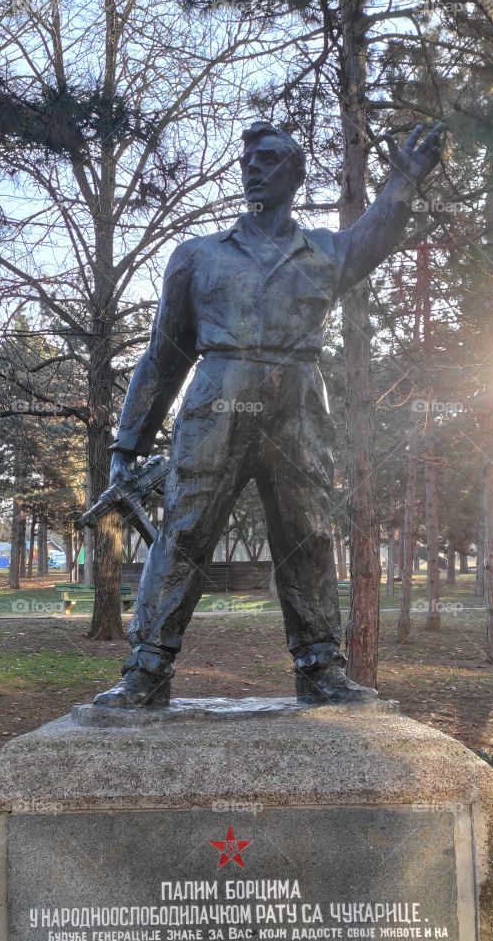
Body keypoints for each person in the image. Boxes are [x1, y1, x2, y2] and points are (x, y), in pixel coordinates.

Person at [96, 119, 444, 707]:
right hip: (217, 401)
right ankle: (146, 668)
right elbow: (163, 356)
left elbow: (376, 237)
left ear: (296, 173)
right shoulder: (197, 256)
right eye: (248, 157)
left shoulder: (326, 251)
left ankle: (320, 667)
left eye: (269, 157)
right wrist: (128, 444)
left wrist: (402, 183)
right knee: (183, 533)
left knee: (306, 535)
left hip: (300, 404)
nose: (252, 165)